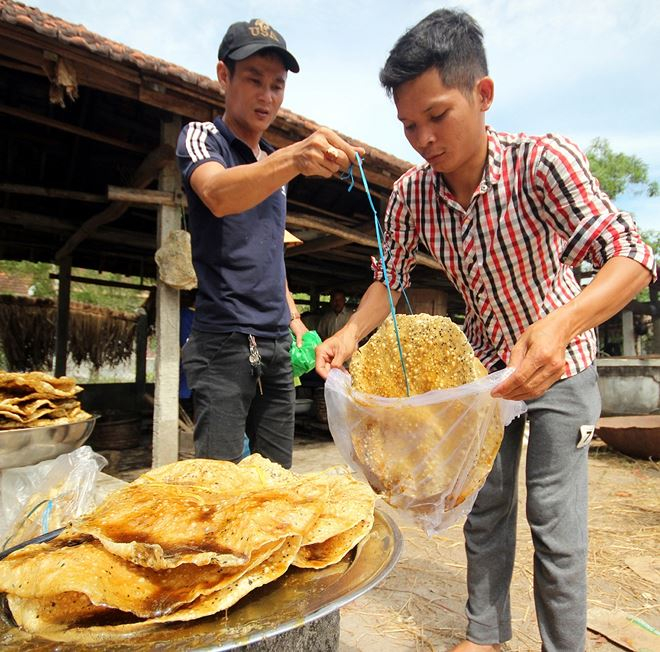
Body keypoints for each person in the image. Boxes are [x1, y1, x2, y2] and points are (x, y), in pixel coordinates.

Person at [316, 9, 655, 651]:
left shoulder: (540, 163)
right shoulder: (413, 193)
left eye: (437, 116)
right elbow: (389, 275)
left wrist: (560, 325)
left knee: (554, 520)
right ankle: (485, 635)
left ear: (483, 93)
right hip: (484, 380)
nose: (423, 138)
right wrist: (351, 334)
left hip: (562, 364)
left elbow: (633, 254)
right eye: (409, 125)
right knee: (485, 507)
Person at [177, 18, 362, 469]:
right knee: (219, 485)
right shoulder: (203, 138)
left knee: (276, 485)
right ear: (224, 76)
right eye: (254, 81)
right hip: (223, 341)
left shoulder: (275, 169)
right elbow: (218, 194)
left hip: (277, 347)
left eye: (277, 86)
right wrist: (293, 158)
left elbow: (270, 259)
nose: (267, 97)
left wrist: (299, 327)